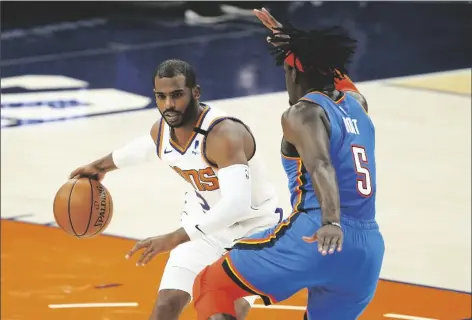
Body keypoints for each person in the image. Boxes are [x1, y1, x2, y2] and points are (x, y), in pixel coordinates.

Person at [192, 9, 385, 320]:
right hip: (367, 251)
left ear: (295, 73)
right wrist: (296, 42)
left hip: (315, 234)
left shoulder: (302, 113)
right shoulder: (357, 105)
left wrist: (331, 222)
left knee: (212, 285)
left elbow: (321, 165)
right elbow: (334, 72)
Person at [69, 59, 282, 320]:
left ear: (196, 92)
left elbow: (237, 205)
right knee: (165, 306)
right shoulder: (162, 131)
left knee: (224, 315)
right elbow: (147, 147)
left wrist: (174, 238)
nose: (168, 105)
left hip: (253, 231)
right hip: (205, 226)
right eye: (161, 96)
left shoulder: (223, 134)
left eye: (177, 95)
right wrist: (98, 166)